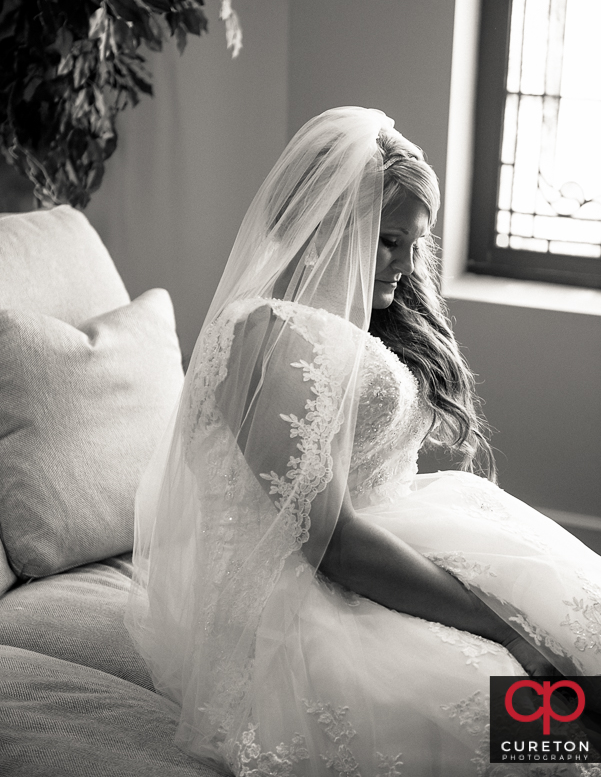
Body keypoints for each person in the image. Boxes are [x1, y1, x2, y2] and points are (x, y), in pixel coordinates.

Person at [126, 107, 601, 776]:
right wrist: (498, 626)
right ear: (321, 228)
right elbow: (329, 543)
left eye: (415, 244)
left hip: (397, 537)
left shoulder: (335, 322)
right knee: (548, 727)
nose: (407, 267)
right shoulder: (267, 339)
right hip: (310, 603)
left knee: (580, 649)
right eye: (388, 242)